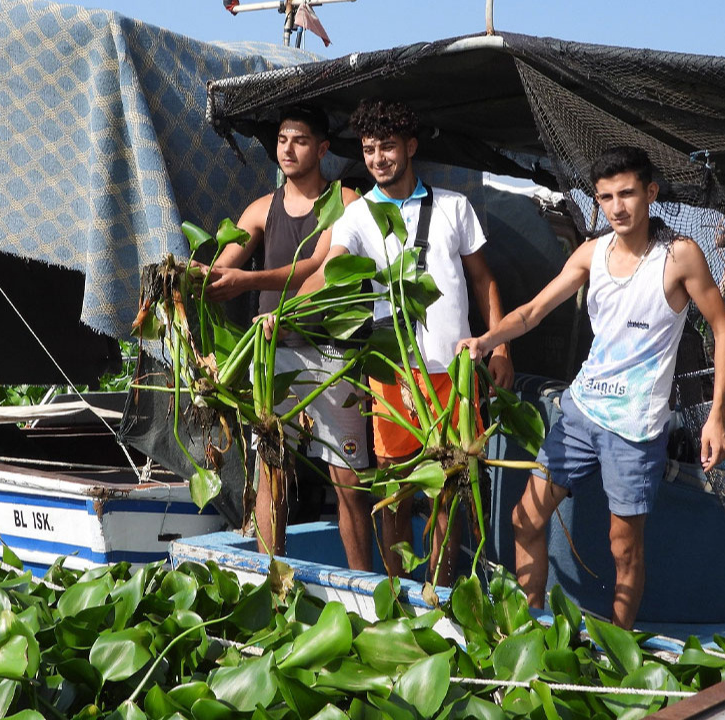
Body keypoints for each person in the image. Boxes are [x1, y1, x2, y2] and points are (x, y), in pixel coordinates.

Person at [457, 146, 725, 628]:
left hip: (635, 427)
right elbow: (532, 312)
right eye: (606, 197)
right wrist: (486, 339)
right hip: (580, 413)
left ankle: (617, 651)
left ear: (649, 193)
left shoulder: (679, 256)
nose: (617, 207)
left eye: (627, 193)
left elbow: (723, 328)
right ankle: (532, 625)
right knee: (525, 520)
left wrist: (716, 417)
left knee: (623, 548)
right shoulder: (591, 252)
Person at [298, 98, 513, 585]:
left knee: (446, 489)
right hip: (392, 372)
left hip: (452, 373)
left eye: (388, 148)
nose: (378, 159)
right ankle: (397, 594)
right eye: (370, 150)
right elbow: (329, 269)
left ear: (411, 147)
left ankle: (436, 594)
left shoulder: (456, 207)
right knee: (394, 489)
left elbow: (484, 282)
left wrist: (500, 347)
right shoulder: (357, 215)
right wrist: (283, 312)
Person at [203, 105, 371, 569]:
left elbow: (319, 268)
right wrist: (190, 277)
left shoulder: (348, 201)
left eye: (298, 140)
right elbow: (224, 268)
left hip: (331, 355)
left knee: (348, 482)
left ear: (322, 148)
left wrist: (251, 286)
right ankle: (272, 584)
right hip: (272, 356)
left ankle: (365, 585)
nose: (288, 149)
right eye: (281, 139)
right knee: (272, 471)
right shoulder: (261, 208)